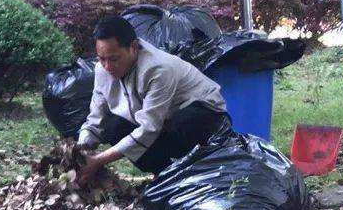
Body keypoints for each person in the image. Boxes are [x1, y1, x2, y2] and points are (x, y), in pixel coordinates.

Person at [76, 14, 229, 184]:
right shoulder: (102, 70)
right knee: (113, 127)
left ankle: (187, 176)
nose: (108, 66)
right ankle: (163, 174)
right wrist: (80, 150)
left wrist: (99, 160)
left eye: (114, 59)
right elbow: (96, 119)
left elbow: (149, 128)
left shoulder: (158, 69)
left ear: (133, 47)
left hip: (204, 113)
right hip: (161, 120)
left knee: (184, 122)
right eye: (102, 59)